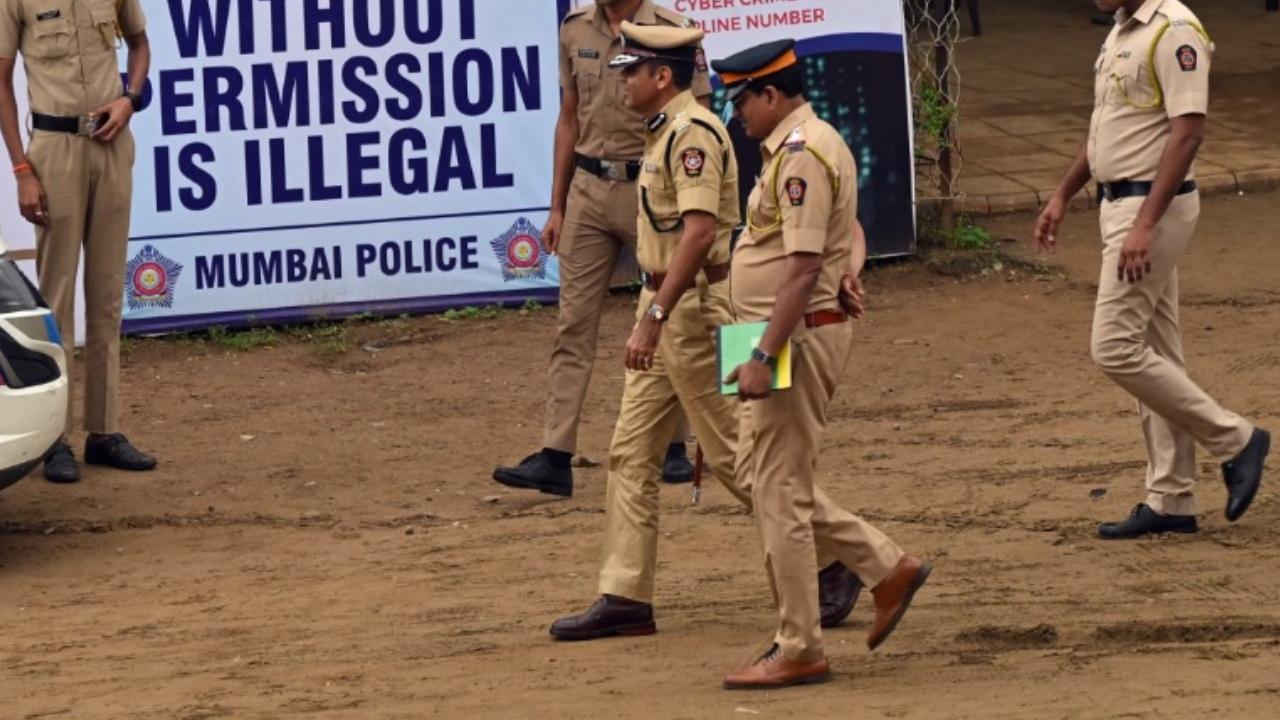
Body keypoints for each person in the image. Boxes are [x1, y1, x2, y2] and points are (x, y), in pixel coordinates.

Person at [548, 23, 864, 644]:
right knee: (629, 451)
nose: (621, 80)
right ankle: (625, 594)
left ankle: (849, 556)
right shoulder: (669, 129)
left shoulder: (694, 135)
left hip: (703, 312)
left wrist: (655, 315)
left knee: (742, 461)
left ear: (660, 77)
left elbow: (697, 235)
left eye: (630, 71)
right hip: (672, 305)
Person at [711, 40, 931, 690]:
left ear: (770, 93)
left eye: (742, 100)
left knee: (777, 487)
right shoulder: (796, 147)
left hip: (788, 337)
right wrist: (848, 270)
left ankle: (800, 643)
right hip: (766, 329)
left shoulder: (803, 150)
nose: (738, 114)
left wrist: (762, 352)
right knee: (759, 474)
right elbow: (843, 234)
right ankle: (884, 568)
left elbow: (805, 267)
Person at [1036, 0, 1269, 539]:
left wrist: (1144, 224)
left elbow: (1188, 133)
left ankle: (1236, 439)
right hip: (1120, 205)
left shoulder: (1174, 30)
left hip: (1149, 212)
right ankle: (1171, 498)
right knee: (1158, 352)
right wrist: (1062, 195)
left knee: (1114, 346)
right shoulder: (1121, 30)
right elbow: (1105, 130)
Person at [491, 0, 707, 497]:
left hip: (652, 187)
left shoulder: (672, 32)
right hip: (588, 188)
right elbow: (568, 119)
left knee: (666, 311)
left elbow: (697, 118)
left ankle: (675, 446)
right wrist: (557, 205)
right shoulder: (574, 29)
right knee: (572, 324)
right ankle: (555, 455)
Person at [0, 0, 157, 483]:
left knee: (108, 294)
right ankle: (56, 440)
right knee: (59, 300)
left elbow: (139, 43)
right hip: (53, 153)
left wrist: (130, 97)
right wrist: (23, 169)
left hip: (111, 147)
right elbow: (1, 81)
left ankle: (105, 432)